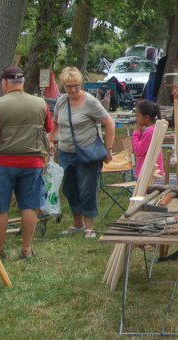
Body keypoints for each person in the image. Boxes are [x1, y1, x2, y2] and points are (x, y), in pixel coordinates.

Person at [0, 66, 53, 259]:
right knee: (29, 206)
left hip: (2, 163)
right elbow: (48, 130)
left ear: (4, 82)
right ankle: (26, 249)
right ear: (22, 82)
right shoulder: (41, 103)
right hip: (32, 162)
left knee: (0, 207)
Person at [49, 67, 116, 239]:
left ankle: (89, 227)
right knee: (69, 189)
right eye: (68, 86)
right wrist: (50, 140)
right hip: (65, 151)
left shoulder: (91, 102)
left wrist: (108, 149)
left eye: (76, 86)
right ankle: (77, 223)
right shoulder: (61, 102)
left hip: (88, 151)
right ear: (63, 86)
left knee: (87, 188)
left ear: (81, 84)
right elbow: (55, 123)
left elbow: (109, 123)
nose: (72, 90)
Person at [132, 100, 164, 178]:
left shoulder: (149, 131)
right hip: (152, 170)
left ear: (146, 117)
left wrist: (136, 133)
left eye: (138, 116)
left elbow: (139, 151)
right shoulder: (155, 128)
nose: (136, 119)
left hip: (148, 172)